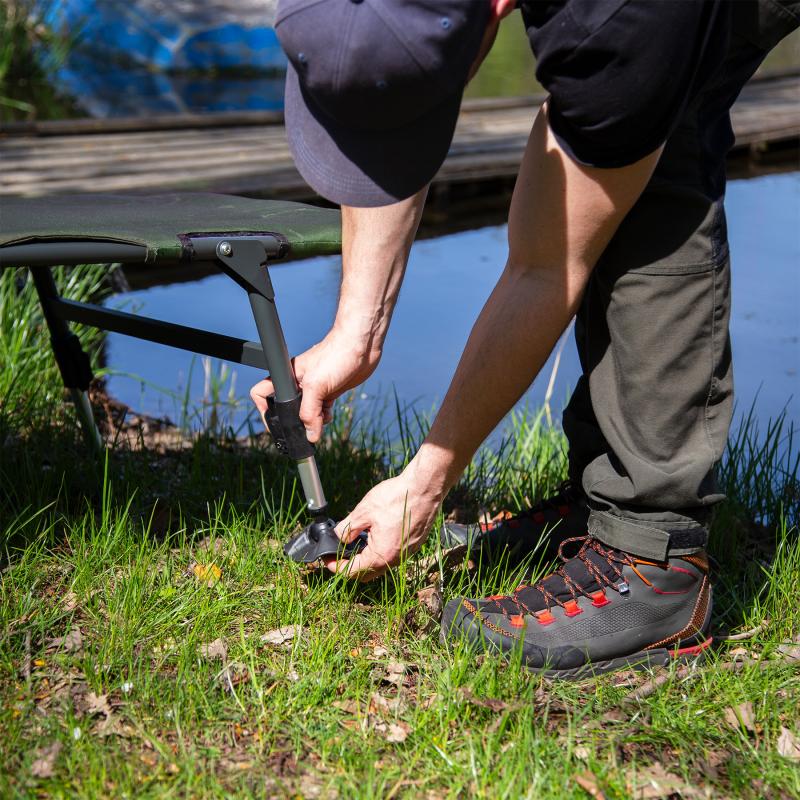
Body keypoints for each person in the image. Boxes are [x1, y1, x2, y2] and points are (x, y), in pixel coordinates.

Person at [251, 0, 799, 678]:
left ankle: (652, 559)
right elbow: (389, 125)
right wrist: (354, 334)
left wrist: (425, 482)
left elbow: (546, 266)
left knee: (659, 159)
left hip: (649, 19)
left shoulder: (614, 23)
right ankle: (602, 502)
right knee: (635, 131)